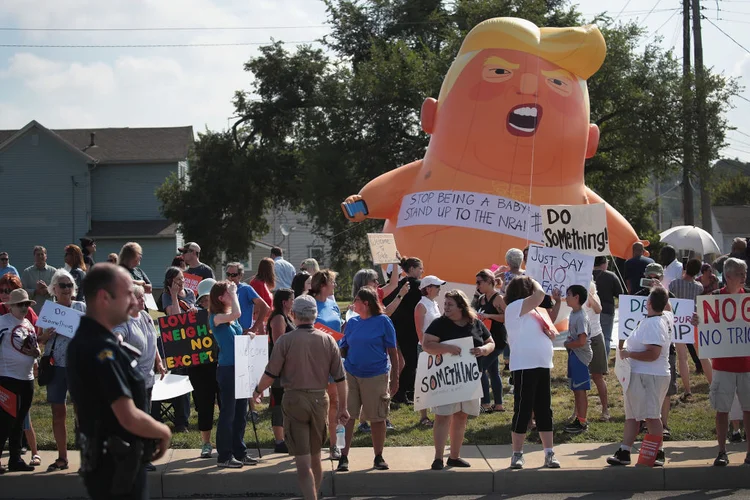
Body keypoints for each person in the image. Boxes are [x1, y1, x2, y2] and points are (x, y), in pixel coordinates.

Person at [66, 264, 171, 499]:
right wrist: (163, 431)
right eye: (127, 295)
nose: (134, 302)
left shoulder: (94, 341)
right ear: (104, 298)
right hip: (115, 469)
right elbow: (127, 415)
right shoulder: (100, 348)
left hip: (117, 464)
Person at [253, 294, 349, 500]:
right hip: (319, 399)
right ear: (314, 315)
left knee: (303, 463)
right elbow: (341, 378)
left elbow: (271, 373)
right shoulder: (328, 340)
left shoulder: (286, 341)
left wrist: (257, 390)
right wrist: (343, 408)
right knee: (316, 457)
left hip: (294, 399)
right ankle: (314, 495)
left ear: (294, 315)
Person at [422, 290, 494, 470]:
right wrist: (446, 347)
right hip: (446, 379)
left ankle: (454, 456)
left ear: (461, 306)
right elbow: (427, 345)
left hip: (470, 377)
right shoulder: (439, 324)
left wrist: (484, 350)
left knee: (461, 417)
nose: (445, 307)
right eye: (445, 304)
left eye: (450, 304)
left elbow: (491, 342)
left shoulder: (475, 323)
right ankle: (438, 458)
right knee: (443, 416)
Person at [607, 286, 672, 468]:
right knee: (632, 416)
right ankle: (624, 451)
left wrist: (628, 354)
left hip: (649, 376)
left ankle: (658, 452)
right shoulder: (662, 317)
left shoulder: (654, 324)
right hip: (640, 375)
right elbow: (668, 307)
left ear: (649, 303)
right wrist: (660, 288)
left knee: (651, 416)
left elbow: (653, 354)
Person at [336, 286, 399, 472]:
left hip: (377, 375)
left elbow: (393, 353)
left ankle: (378, 456)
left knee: (378, 417)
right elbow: (343, 347)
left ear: (366, 303)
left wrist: (395, 379)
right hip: (351, 374)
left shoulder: (383, 321)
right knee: (345, 417)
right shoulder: (352, 323)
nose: (352, 304)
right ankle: (343, 456)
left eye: (355, 300)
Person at [504, 276, 559, 470]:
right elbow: (540, 294)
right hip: (524, 365)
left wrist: (548, 334)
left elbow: (548, 328)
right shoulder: (514, 307)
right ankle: (517, 454)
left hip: (542, 364)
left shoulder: (535, 310)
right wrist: (533, 278)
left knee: (545, 409)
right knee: (523, 409)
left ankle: (549, 452)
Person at [36, 270, 86, 472]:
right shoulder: (48, 312)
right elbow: (39, 340)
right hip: (56, 367)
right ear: (53, 289)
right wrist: (46, 336)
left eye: (69, 285)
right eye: (62, 285)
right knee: (58, 412)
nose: (66, 289)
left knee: (81, 413)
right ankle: (62, 457)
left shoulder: (81, 307)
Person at [703, 258, 750, 467]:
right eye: (741, 273)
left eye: (745, 272)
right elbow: (704, 325)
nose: (744, 276)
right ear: (728, 276)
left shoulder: (748, 299)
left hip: (747, 365)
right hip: (723, 366)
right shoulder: (714, 299)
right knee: (722, 410)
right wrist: (699, 320)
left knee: (749, 410)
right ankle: (722, 451)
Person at [113, 284, 165, 472]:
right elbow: (117, 336)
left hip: (148, 377)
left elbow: (153, 340)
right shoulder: (124, 321)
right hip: (132, 380)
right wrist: (117, 340)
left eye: (144, 297)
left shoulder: (145, 317)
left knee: (145, 416)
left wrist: (158, 361)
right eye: (140, 297)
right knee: (138, 420)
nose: (144, 300)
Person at [209, 280, 257, 468]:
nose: (233, 293)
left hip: (241, 367)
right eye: (228, 293)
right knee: (228, 413)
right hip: (228, 369)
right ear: (221, 298)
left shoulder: (230, 317)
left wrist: (247, 336)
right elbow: (238, 313)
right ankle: (224, 455)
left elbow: (236, 334)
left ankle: (239, 451)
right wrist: (235, 292)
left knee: (240, 413)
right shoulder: (216, 317)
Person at [0, 289, 41, 473]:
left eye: (26, 304)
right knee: (5, 420)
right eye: (20, 304)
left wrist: (36, 356)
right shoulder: (2, 322)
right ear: (11, 307)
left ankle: (15, 459)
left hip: (27, 378)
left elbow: (34, 348)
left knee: (19, 420)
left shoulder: (28, 324)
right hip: (8, 377)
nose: (24, 307)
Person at [310, 269, 344, 459]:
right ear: (323, 285)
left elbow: (338, 326)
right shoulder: (310, 304)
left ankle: (334, 445)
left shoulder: (333, 303)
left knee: (335, 402)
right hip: (314, 360)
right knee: (316, 403)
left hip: (334, 358)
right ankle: (313, 444)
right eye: (332, 282)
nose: (335, 285)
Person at [382, 255, 423, 404]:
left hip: (398, 327)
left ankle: (403, 391)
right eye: (420, 269)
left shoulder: (400, 284)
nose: (422, 272)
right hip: (409, 328)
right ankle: (399, 392)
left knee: (405, 361)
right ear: (411, 269)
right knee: (410, 362)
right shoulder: (417, 285)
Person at [161, 266, 196, 432]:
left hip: (191, 341)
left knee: (189, 380)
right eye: (177, 280)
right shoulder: (166, 296)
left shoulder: (189, 293)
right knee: (178, 379)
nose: (181, 282)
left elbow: (193, 315)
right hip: (174, 345)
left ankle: (186, 418)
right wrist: (174, 295)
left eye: (182, 278)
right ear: (170, 281)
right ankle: (180, 421)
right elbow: (174, 318)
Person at [188, 278, 220, 458]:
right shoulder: (195, 315)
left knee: (225, 404)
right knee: (205, 406)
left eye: (210, 298)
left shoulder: (224, 314)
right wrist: (190, 317)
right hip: (200, 368)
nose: (207, 302)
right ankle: (206, 443)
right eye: (205, 299)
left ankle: (225, 440)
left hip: (221, 365)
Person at [669, 259, 705, 400]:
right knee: (703, 355)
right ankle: (712, 383)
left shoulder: (674, 284)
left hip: (679, 324)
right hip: (693, 322)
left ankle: (688, 390)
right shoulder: (699, 287)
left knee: (682, 358)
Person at [472, 269, 506, 413]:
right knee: (493, 372)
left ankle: (485, 403)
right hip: (485, 340)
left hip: (497, 340)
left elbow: (506, 317)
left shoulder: (498, 298)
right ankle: (498, 405)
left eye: (479, 282)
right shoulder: (482, 298)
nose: (477, 285)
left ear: (488, 282)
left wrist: (488, 315)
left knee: (481, 369)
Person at [413, 275, 445, 428]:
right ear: (428, 288)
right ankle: (423, 415)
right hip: (425, 348)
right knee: (423, 382)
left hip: (436, 347)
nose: (439, 289)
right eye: (437, 286)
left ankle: (436, 411)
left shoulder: (433, 303)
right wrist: (425, 348)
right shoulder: (421, 306)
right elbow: (419, 331)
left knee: (436, 379)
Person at [267, 288, 296, 454]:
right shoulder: (278, 318)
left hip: (289, 368)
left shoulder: (288, 317)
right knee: (278, 403)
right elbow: (279, 345)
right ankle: (279, 441)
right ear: (284, 302)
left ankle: (286, 437)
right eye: (292, 299)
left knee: (287, 403)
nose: (293, 302)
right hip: (279, 369)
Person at [563, 285, 592, 435]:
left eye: (568, 295)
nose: (566, 297)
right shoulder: (574, 313)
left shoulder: (581, 316)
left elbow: (582, 341)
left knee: (580, 390)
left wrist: (567, 344)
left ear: (577, 298)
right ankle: (579, 418)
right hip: (574, 354)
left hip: (581, 356)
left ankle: (582, 422)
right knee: (575, 389)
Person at [584, 281, 610, 422]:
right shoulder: (573, 294)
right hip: (580, 340)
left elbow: (598, 309)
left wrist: (588, 293)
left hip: (594, 338)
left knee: (597, 376)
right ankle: (579, 412)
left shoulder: (594, 295)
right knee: (580, 378)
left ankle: (605, 409)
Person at [592, 256, 623, 356]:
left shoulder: (586, 274)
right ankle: (603, 362)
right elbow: (620, 293)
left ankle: (591, 361)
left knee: (590, 336)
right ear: (603, 263)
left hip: (589, 309)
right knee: (606, 337)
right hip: (607, 310)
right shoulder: (611, 276)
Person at [226, 262, 268, 335]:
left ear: (240, 276)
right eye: (228, 274)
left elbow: (265, 307)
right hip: (229, 332)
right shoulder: (224, 290)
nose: (230, 278)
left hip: (243, 333)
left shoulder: (245, 289)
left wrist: (254, 328)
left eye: (233, 275)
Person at [21, 245, 56, 313]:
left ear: (46, 256)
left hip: (50, 310)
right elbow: (22, 291)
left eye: (42, 254)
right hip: (33, 311)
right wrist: (35, 291)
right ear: (34, 256)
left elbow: (58, 290)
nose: (40, 256)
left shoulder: (53, 271)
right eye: (37, 254)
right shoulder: (27, 272)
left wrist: (47, 289)